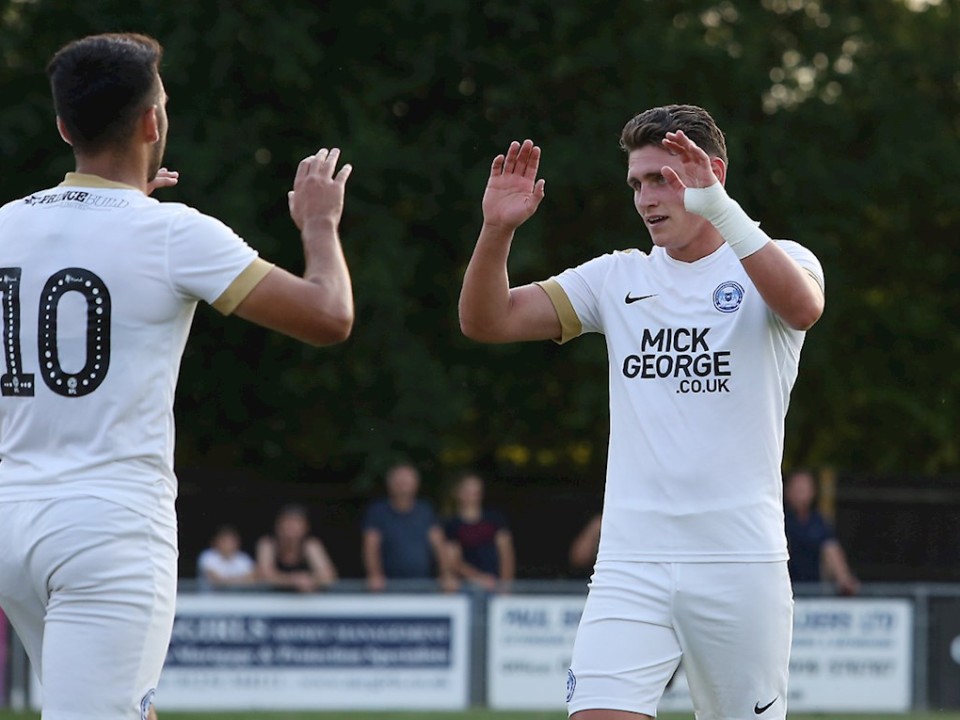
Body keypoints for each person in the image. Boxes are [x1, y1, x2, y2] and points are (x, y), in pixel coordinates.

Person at [0, 33, 354, 720]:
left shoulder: (9, 223)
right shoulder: (171, 232)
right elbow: (328, 315)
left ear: (64, 127)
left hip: (14, 519)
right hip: (108, 529)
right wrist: (320, 224)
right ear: (152, 122)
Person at [459, 105, 824, 720]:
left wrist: (721, 209)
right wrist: (496, 231)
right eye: (637, 183)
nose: (646, 198)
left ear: (713, 175)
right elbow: (486, 321)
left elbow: (803, 308)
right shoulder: (615, 277)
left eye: (662, 179)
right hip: (630, 562)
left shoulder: (778, 257)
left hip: (738, 563)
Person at [362, 463, 458, 592]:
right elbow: (371, 546)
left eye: (407, 481)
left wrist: (446, 575)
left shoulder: (426, 511)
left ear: (416, 484)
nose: (403, 486)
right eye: (399, 481)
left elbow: (439, 545)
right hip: (387, 586)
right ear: (389, 484)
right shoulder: (377, 512)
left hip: (424, 584)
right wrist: (374, 574)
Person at [783, 468, 860, 595]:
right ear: (787, 491)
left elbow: (831, 550)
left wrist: (844, 579)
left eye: (804, 489)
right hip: (785, 589)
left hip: (814, 589)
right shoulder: (780, 521)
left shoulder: (818, 521)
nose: (800, 494)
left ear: (812, 492)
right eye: (797, 489)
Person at [443, 471, 515, 591]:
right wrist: (479, 578)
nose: (472, 495)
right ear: (457, 493)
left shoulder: (495, 519)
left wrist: (505, 586)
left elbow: (506, 554)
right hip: (466, 587)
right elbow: (453, 561)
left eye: (476, 491)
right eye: (468, 491)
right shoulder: (452, 525)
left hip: (496, 585)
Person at [256, 504, 338, 592]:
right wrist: (293, 580)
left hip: (306, 598)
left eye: (297, 523)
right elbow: (264, 575)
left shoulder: (310, 545)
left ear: (305, 527)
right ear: (278, 526)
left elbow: (329, 576)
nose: (291, 528)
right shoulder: (268, 544)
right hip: (272, 597)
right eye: (288, 523)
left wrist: (310, 580)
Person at [196, 524, 258, 590]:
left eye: (231, 541)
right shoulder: (208, 556)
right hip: (210, 596)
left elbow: (252, 579)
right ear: (217, 542)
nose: (228, 545)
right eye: (225, 541)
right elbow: (214, 580)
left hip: (238, 595)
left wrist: (226, 581)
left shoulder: (244, 558)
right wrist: (241, 580)